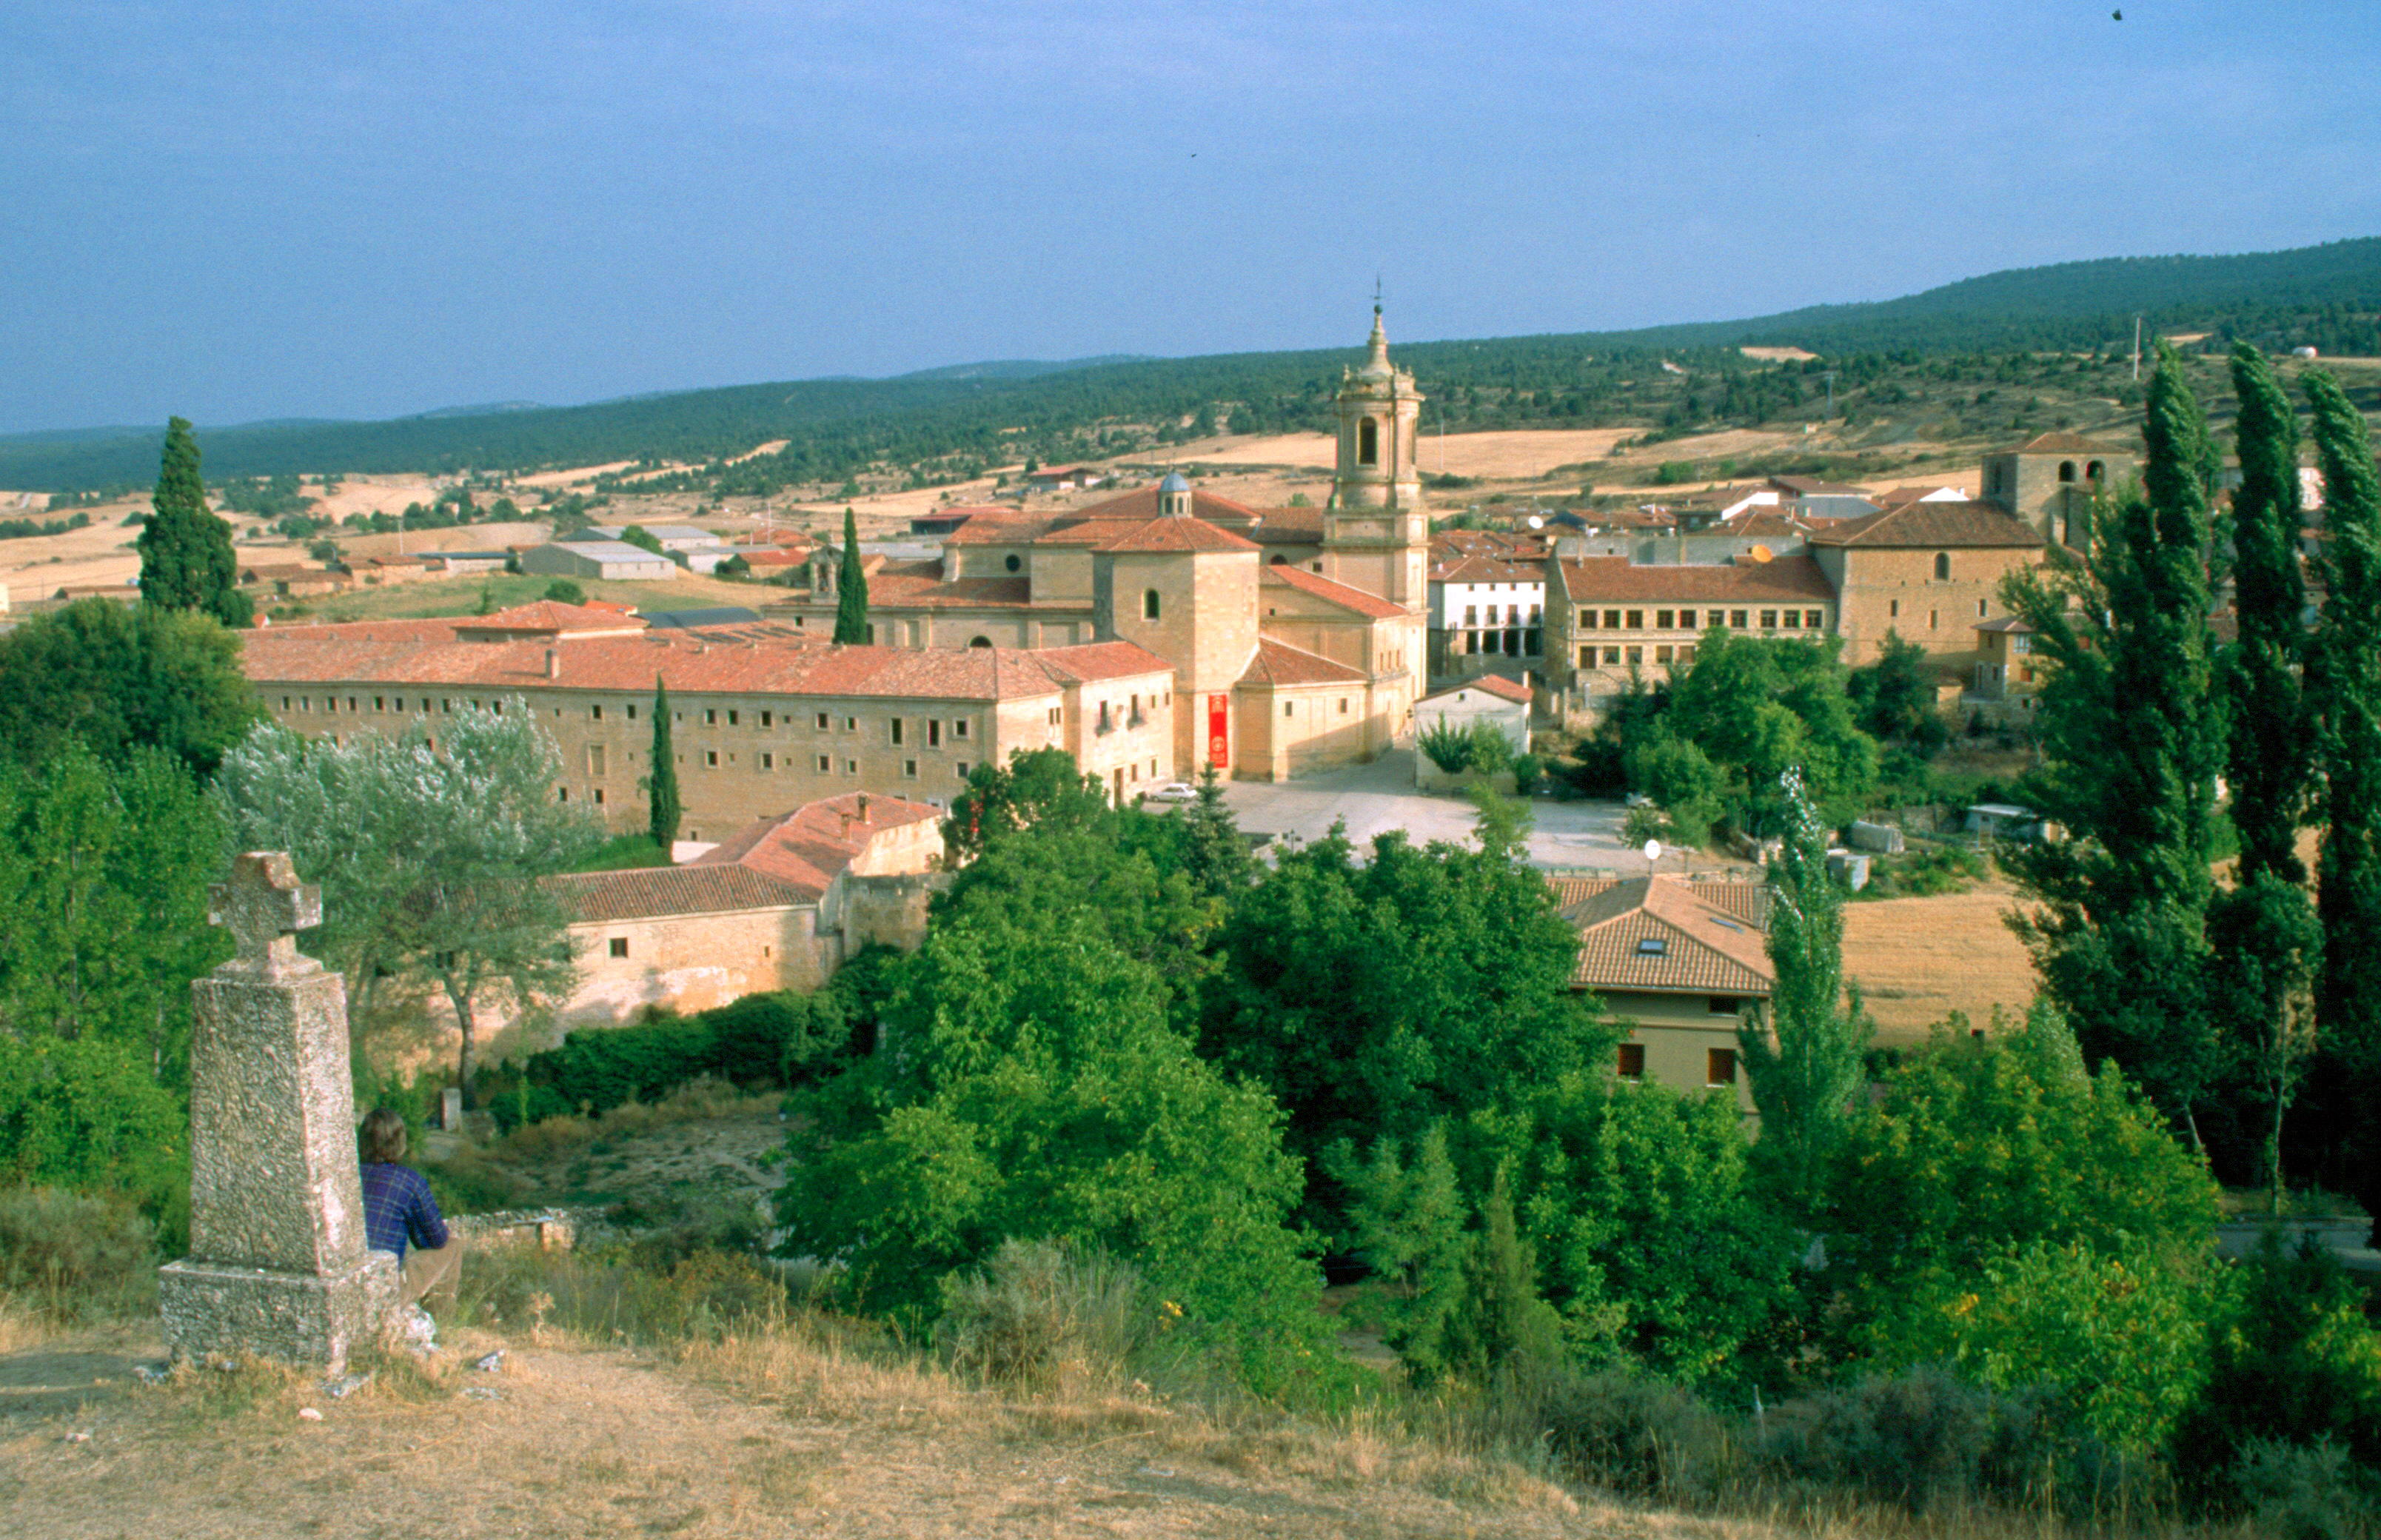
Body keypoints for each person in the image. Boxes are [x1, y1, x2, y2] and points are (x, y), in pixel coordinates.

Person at [358, 1107, 463, 1314]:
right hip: (384, 1288)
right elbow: (436, 1241)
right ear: (400, 1142)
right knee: (453, 1246)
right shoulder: (409, 1182)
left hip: (352, 1281)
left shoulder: (347, 1176)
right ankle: (441, 1322)